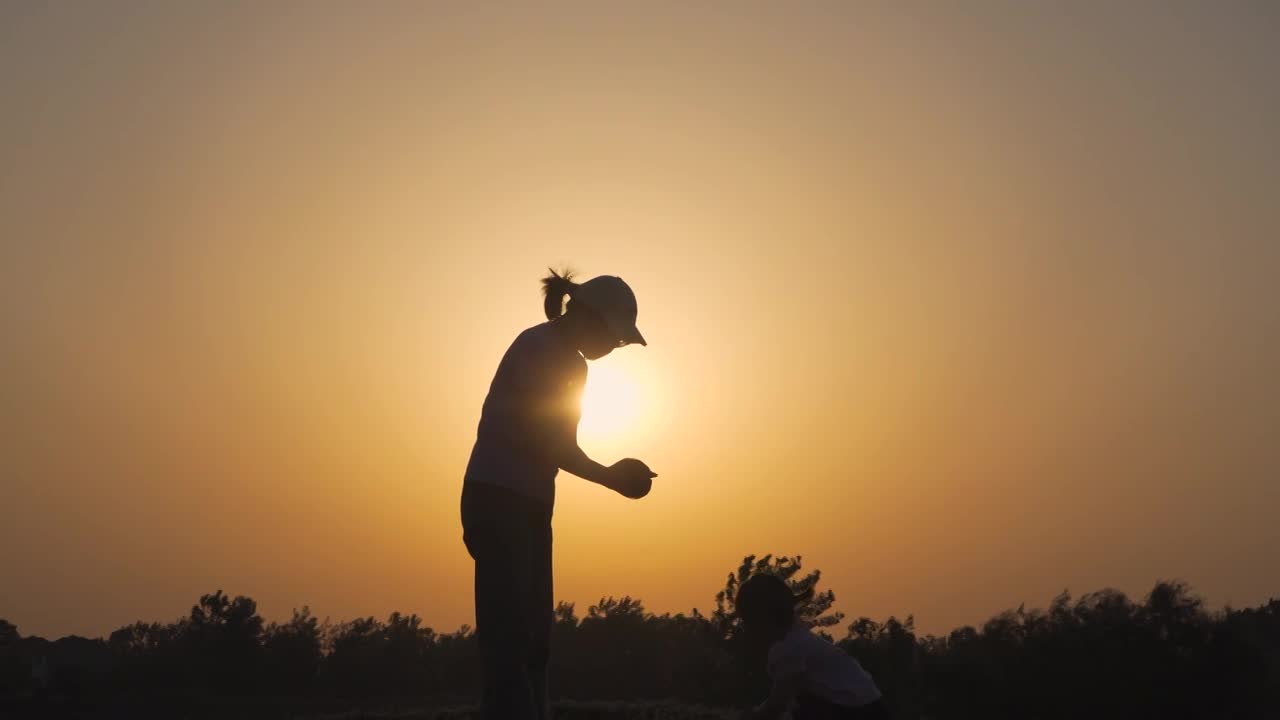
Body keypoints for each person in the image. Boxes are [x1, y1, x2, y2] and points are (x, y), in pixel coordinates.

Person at [461, 268, 657, 720]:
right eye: (615, 338)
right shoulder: (554, 356)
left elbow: (550, 445)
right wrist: (611, 476)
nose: (614, 348)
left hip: (517, 502)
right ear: (593, 319)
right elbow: (550, 444)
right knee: (513, 643)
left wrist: (610, 474)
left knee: (528, 642)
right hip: (503, 502)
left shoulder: (550, 349)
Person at [736, 574, 887, 720]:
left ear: (764, 618)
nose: (746, 628)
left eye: (747, 621)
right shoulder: (798, 638)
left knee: (803, 706)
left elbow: (776, 705)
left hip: (856, 711)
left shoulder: (788, 649)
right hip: (868, 706)